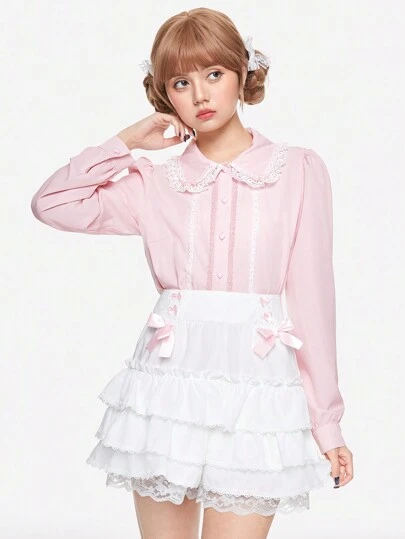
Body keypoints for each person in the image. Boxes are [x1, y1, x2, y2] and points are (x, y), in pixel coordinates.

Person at [30, 7, 354, 539]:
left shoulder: (297, 170)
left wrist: (327, 422)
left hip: (256, 391)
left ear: (243, 74)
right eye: (181, 82)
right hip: (168, 391)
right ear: (165, 96)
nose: (200, 94)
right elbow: (52, 204)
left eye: (214, 73)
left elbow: (315, 302)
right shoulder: (155, 183)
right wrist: (124, 142)